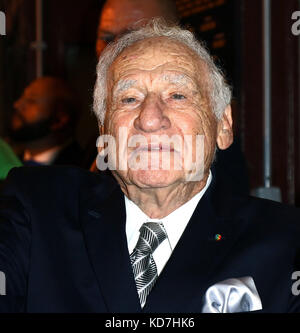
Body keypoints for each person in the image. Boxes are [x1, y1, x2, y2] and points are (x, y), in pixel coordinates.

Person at [0, 19, 299, 313]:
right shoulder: (36, 209)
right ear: (104, 132)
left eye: (178, 95)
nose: (150, 119)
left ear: (223, 125)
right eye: (129, 98)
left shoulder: (287, 241)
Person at [86, 0, 249, 195]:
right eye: (107, 37)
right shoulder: (98, 141)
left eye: (136, 36)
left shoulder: (210, 150)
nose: (117, 49)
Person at [8, 77, 83, 167]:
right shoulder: (11, 161)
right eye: (22, 97)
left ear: (60, 119)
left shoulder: (80, 169)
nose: (17, 105)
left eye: (31, 101)